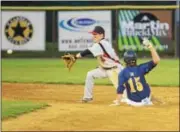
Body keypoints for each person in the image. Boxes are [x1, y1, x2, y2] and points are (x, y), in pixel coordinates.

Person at [75, 26, 125, 102]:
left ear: (101, 35)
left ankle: (136, 97)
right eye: (93, 34)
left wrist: (75, 57)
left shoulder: (101, 43)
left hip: (115, 70)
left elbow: (88, 51)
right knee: (90, 74)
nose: (94, 36)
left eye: (96, 34)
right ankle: (88, 97)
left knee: (124, 94)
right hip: (107, 68)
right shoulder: (101, 44)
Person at [110, 38, 160, 106]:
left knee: (126, 91)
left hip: (133, 103)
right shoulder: (141, 68)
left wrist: (118, 102)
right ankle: (152, 99)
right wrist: (150, 46)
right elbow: (156, 60)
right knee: (147, 85)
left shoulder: (122, 73)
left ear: (125, 60)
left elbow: (120, 89)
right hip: (146, 100)